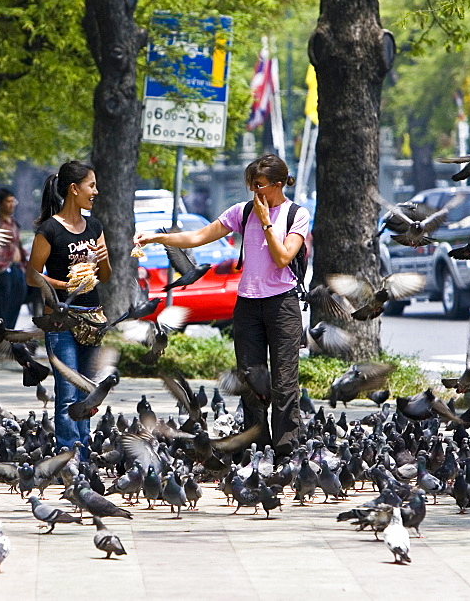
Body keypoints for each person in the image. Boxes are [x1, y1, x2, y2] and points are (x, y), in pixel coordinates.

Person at [135, 154, 309, 456]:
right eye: (251, 186)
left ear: (277, 185)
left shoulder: (296, 215)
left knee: (284, 383)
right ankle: (256, 447)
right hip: (248, 305)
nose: (254, 193)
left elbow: (283, 258)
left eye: (260, 186)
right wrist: (155, 238)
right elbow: (199, 236)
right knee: (251, 381)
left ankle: (285, 452)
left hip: (282, 306)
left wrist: (267, 222)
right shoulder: (241, 212)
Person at [27, 161, 111, 455]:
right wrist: (65, 286)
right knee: (66, 393)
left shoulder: (95, 226)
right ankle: (68, 456)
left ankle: (84, 456)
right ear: (74, 190)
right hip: (61, 321)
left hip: (92, 319)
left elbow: (105, 276)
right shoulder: (50, 230)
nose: (96, 192)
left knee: (88, 390)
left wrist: (103, 258)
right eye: (91, 186)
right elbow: (32, 275)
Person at [0, 188, 29, 329]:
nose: (11, 205)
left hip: (17, 268)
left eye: (13, 201)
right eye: (8, 202)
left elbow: (17, 244)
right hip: (0, 269)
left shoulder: (14, 223)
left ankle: (9, 334)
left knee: (15, 304)